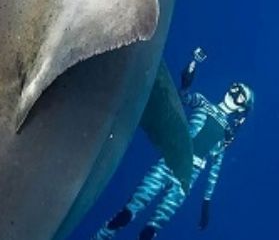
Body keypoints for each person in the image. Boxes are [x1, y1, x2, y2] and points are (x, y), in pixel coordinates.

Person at [94, 48, 254, 240]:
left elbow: (215, 169)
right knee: (128, 211)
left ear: (242, 108)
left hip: (188, 176)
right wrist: (192, 67)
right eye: (235, 87)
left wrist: (206, 202)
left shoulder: (226, 134)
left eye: (240, 95)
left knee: (151, 229)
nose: (233, 93)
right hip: (170, 161)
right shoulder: (203, 103)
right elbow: (183, 96)